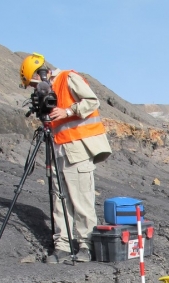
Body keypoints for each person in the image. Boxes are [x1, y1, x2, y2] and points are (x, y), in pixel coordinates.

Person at [19, 54, 112, 264]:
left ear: (38, 74)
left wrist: (67, 111)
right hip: (57, 148)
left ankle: (86, 245)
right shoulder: (47, 90)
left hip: (77, 147)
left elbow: (91, 101)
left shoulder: (67, 78)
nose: (36, 90)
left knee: (81, 200)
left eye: (34, 84)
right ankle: (62, 244)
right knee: (59, 199)